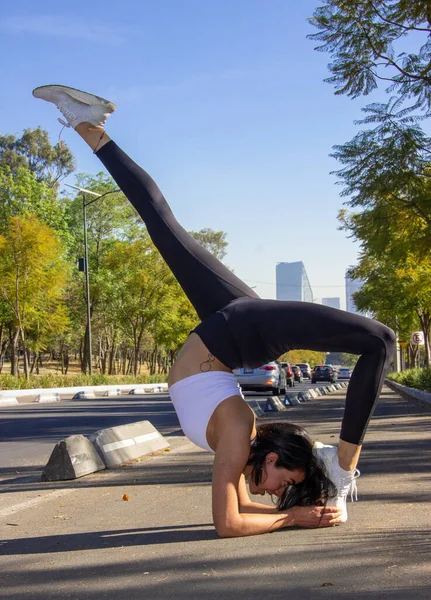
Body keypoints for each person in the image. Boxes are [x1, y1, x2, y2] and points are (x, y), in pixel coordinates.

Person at [33, 85, 396, 538]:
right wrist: (293, 517)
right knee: (380, 341)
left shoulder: (238, 443)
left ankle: (89, 126)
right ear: (270, 458)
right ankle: (342, 472)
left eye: (282, 494)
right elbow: (229, 525)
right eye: (284, 484)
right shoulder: (239, 429)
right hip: (241, 333)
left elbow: (237, 514)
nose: (273, 495)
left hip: (231, 330)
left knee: (162, 225)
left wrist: (292, 516)